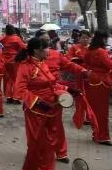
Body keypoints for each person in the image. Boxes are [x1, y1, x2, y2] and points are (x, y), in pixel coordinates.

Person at [14, 37, 77, 170]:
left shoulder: (43, 63)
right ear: (37, 50)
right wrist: (37, 102)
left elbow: (51, 84)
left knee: (49, 145)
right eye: (46, 48)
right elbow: (19, 91)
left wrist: (67, 89)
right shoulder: (25, 67)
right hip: (35, 111)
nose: (49, 50)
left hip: (53, 109)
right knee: (36, 144)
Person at [35, 30, 87, 162]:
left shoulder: (56, 54)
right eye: (44, 40)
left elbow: (69, 65)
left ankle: (61, 152)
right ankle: (37, 152)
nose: (47, 42)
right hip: (37, 97)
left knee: (56, 124)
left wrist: (84, 71)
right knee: (38, 127)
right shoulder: (30, 58)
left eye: (48, 40)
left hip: (56, 95)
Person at [84, 31, 112, 146]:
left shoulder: (89, 50)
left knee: (95, 110)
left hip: (92, 81)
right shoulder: (101, 51)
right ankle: (103, 137)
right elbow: (110, 65)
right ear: (103, 39)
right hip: (102, 82)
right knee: (102, 112)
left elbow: (86, 62)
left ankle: (96, 134)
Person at [0, 24, 25, 103]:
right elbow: (22, 48)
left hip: (4, 61)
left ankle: (8, 97)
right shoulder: (17, 38)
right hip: (14, 61)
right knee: (16, 79)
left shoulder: (2, 39)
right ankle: (16, 97)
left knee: (7, 79)